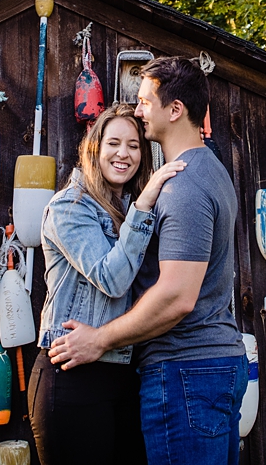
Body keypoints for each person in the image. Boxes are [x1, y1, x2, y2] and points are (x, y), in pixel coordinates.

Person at [49, 56, 247, 465]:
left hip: (185, 370)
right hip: (196, 369)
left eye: (144, 101)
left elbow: (176, 298)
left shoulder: (183, 185)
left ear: (175, 110)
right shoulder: (208, 172)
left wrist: (100, 339)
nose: (139, 110)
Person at [29, 103, 187, 465]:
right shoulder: (70, 207)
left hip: (124, 370)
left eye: (134, 145)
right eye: (114, 143)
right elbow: (112, 279)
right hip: (71, 374)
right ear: (94, 148)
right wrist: (146, 201)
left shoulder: (124, 209)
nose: (123, 154)